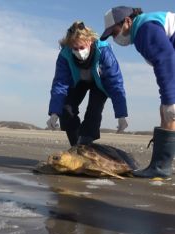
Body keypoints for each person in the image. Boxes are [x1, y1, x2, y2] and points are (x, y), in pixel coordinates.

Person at [100, 6, 175, 178]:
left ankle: (161, 167)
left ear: (127, 21)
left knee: (168, 111)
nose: (114, 37)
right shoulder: (145, 28)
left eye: (114, 31)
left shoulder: (144, 29)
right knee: (165, 112)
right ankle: (160, 165)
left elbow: (165, 59)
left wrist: (170, 100)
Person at [46, 21, 128, 146]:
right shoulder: (65, 55)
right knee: (66, 110)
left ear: (90, 41)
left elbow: (115, 83)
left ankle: (86, 141)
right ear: (70, 47)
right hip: (78, 82)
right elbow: (60, 84)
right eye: (75, 48)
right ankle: (76, 147)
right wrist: (54, 113)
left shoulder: (104, 52)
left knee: (93, 111)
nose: (79, 51)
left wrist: (121, 115)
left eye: (82, 48)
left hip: (99, 83)